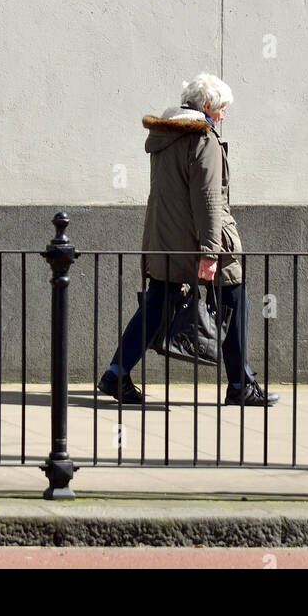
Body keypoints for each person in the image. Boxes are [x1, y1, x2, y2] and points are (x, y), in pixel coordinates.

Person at [98, 73, 279, 408]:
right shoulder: (203, 141)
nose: (225, 114)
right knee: (233, 297)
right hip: (200, 243)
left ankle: (115, 372)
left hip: (165, 240)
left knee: (157, 304)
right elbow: (208, 201)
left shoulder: (164, 137)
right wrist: (211, 253)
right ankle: (240, 384)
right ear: (208, 106)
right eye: (223, 107)